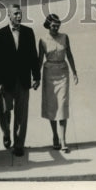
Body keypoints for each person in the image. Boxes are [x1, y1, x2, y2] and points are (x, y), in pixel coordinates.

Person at [0, 4, 41, 156]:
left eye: (20, 14)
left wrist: (36, 76)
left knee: (21, 114)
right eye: (16, 14)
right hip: (6, 82)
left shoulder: (28, 32)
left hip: (23, 81)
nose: (19, 16)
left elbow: (33, 55)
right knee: (4, 112)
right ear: (9, 15)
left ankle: (19, 145)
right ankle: (6, 133)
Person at [38, 13, 78, 152]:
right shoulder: (42, 40)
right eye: (53, 26)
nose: (56, 28)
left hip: (63, 73)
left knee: (62, 105)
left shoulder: (64, 37)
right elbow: (39, 59)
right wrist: (36, 77)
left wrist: (74, 72)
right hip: (49, 73)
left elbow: (70, 54)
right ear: (48, 25)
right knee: (52, 106)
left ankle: (63, 140)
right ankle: (55, 135)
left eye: (58, 26)